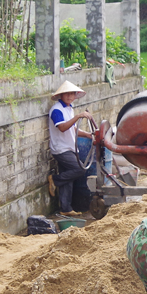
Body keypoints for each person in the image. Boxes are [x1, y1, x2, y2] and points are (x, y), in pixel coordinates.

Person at [47, 81, 94, 216]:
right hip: (61, 148)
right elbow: (62, 127)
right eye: (66, 94)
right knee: (79, 169)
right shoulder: (57, 110)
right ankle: (55, 180)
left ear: (75, 96)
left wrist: (87, 135)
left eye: (71, 94)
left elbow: (72, 128)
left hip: (69, 147)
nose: (69, 96)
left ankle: (65, 208)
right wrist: (78, 116)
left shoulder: (69, 108)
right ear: (61, 95)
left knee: (68, 178)